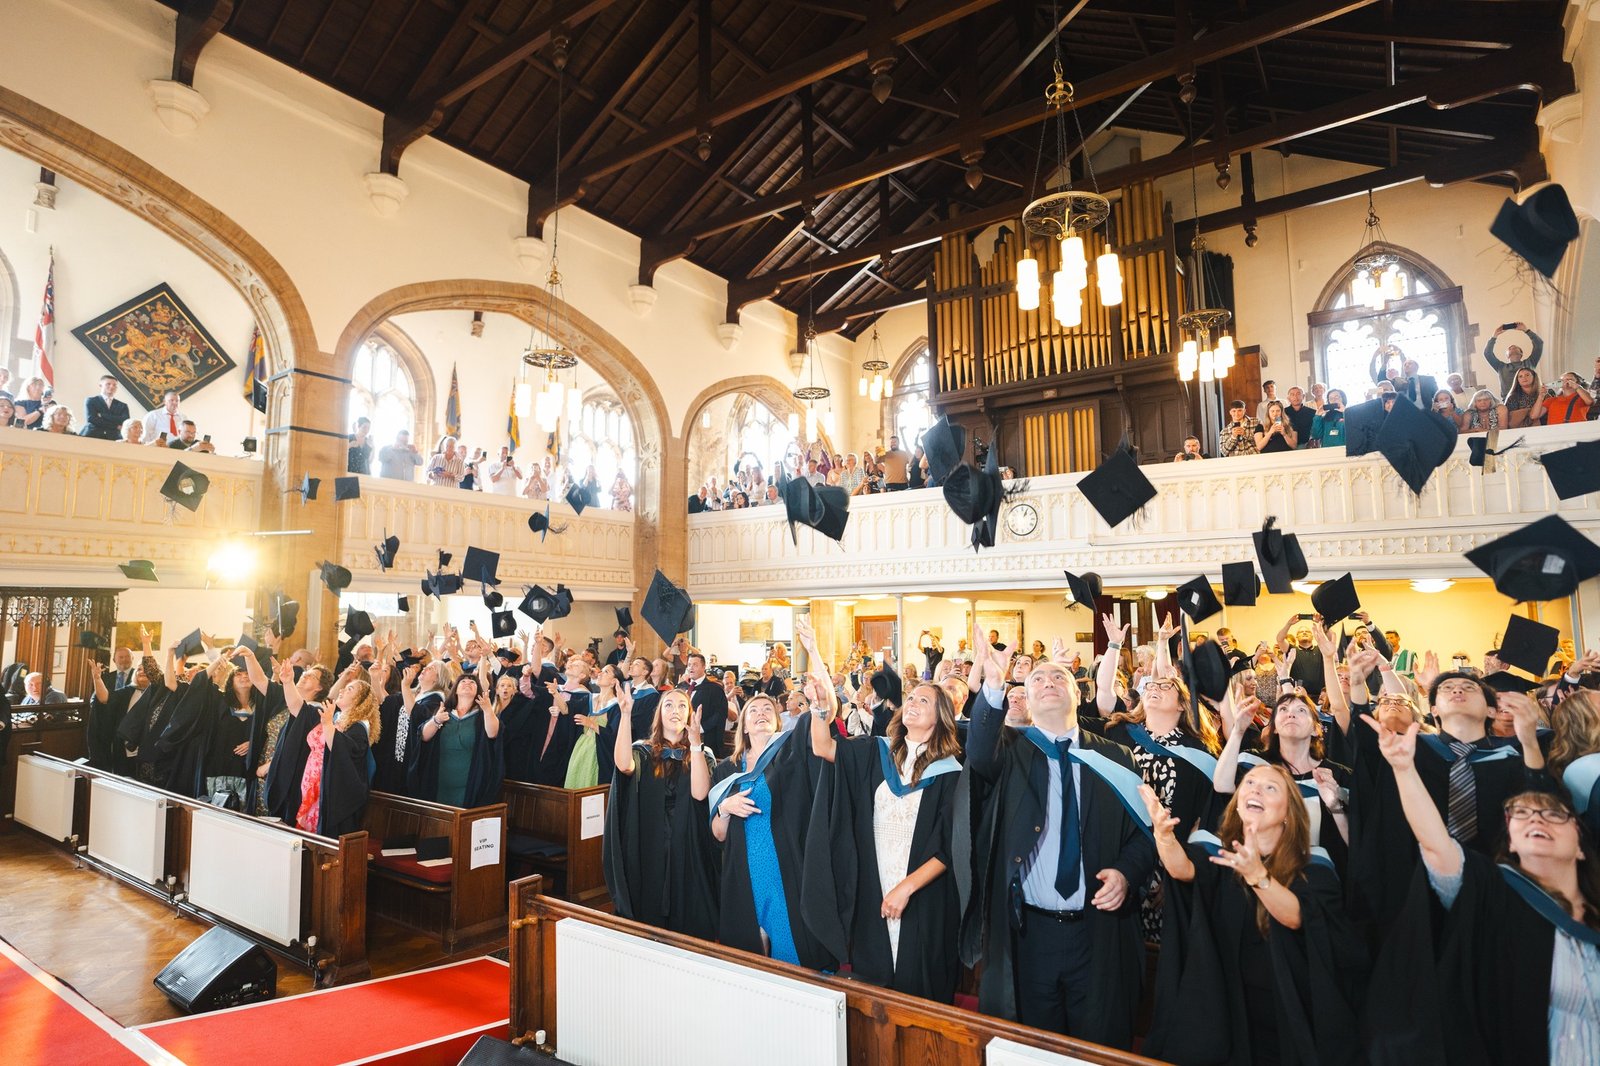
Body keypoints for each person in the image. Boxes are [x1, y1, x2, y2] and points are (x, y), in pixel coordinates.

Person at [957, 625, 1154, 1046]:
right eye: (1037, 680)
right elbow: (977, 752)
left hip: (1097, 932)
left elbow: (1144, 833)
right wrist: (992, 687)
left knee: (1098, 1043)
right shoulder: (1010, 749)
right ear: (1026, 699)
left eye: (1058, 677)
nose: (1048, 683)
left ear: (1079, 693)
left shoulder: (1114, 755)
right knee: (1036, 1047)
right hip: (1030, 933)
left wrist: (1125, 873)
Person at [1368, 714, 1599, 1065]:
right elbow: (1435, 844)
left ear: (1581, 844)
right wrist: (1404, 769)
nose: (1536, 819)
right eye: (1521, 814)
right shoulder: (1493, 892)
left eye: (1553, 815)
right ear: (1511, 843)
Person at [1141, 763, 1369, 1066]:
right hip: (1227, 1013)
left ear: (1289, 812)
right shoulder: (1220, 853)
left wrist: (1257, 875)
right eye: (1249, 783)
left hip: (1288, 1019)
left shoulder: (1314, 868)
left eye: (1270, 787)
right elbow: (1182, 870)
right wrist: (1165, 838)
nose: (1255, 790)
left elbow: (1295, 916)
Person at [802, 618, 963, 1002]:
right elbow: (824, 748)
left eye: (924, 700)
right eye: (911, 698)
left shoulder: (952, 770)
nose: (913, 703)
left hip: (923, 898)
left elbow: (948, 846)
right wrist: (817, 707)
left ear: (942, 715)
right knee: (875, 998)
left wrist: (905, 889)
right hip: (874, 888)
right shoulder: (877, 754)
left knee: (921, 997)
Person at [708, 675, 832, 970]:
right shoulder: (727, 769)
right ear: (744, 725)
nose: (761, 714)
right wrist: (724, 807)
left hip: (782, 869)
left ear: (778, 722)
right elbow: (718, 835)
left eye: (767, 710)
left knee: (790, 950)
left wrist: (819, 704)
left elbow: (822, 738)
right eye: (753, 711)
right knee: (748, 956)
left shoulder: (790, 759)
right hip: (743, 869)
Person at [603, 685, 720, 939]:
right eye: (668, 705)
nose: (675, 711)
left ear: (689, 715)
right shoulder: (644, 751)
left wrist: (697, 745)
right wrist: (625, 715)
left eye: (682, 706)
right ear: (659, 713)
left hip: (687, 836)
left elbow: (700, 794)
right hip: (650, 834)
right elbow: (623, 765)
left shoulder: (702, 753)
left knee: (686, 898)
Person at [260, 659, 373, 836]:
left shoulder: (357, 727)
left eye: (350, 689)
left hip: (325, 790)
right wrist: (288, 682)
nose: (342, 689)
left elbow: (341, 754)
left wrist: (328, 725)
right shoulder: (331, 716)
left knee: (316, 837)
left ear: (359, 700)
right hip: (307, 783)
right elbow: (297, 707)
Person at [408, 668, 504, 806]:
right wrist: (436, 720)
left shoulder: (482, 716)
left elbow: (493, 733)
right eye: (463, 681)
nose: (467, 683)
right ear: (456, 690)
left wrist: (488, 709)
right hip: (439, 782)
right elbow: (423, 737)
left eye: (472, 682)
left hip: (469, 785)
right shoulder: (443, 712)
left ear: (477, 692)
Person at [680, 651, 730, 759]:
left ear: (704, 667)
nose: (691, 668)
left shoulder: (714, 689)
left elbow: (720, 714)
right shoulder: (682, 687)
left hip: (705, 739)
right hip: (682, 739)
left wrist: (701, 728)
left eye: (695, 664)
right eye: (689, 665)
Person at [1483, 321, 1543, 396]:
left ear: (1521, 354)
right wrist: (1494, 336)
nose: (1512, 347)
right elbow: (1487, 353)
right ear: (1507, 356)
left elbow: (1539, 344)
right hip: (1510, 402)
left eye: (1516, 347)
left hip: (1531, 399)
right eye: (1510, 348)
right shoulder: (1500, 367)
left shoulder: (1530, 362)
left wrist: (1526, 330)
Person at [81, 375, 129, 441]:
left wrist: (103, 415)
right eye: (108, 384)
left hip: (114, 438)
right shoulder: (91, 400)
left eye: (114, 385)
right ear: (100, 385)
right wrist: (116, 426)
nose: (112, 386)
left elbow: (125, 420)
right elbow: (92, 419)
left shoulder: (122, 405)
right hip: (92, 436)